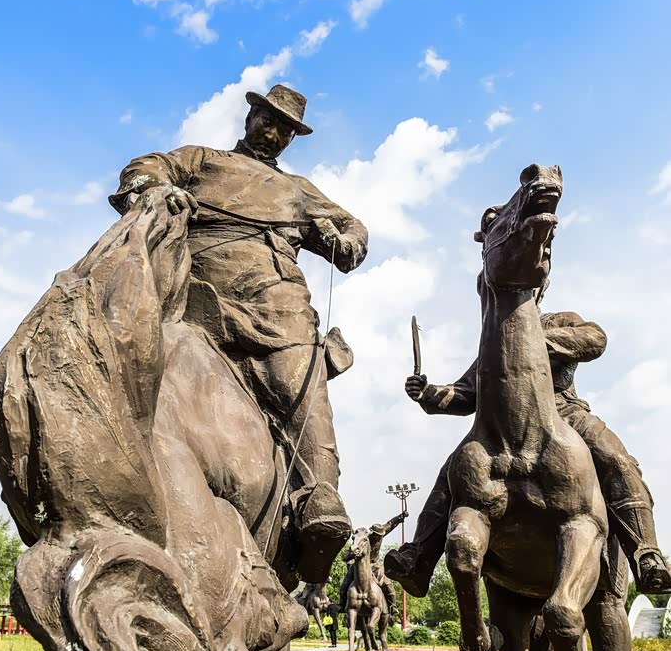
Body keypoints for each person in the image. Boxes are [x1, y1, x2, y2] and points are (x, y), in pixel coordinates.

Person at [110, 85, 368, 583]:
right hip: (197, 303)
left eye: (286, 130)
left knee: (299, 386)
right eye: (268, 121)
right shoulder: (202, 160)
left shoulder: (298, 190)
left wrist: (346, 240)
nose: (274, 134)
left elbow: (353, 229)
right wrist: (158, 190)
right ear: (250, 116)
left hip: (276, 308)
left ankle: (319, 503)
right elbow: (144, 168)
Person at [385, 308, 671, 597]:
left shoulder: (561, 320)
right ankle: (419, 558)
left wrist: (532, 339)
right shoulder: (495, 336)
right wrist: (427, 392)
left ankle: (646, 555)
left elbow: (595, 338)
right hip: (503, 423)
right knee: (454, 470)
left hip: (563, 413)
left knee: (615, 458)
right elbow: (466, 393)